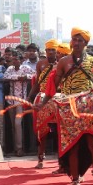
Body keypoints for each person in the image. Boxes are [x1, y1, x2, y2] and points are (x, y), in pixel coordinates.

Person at [53, 28, 93, 185]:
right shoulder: (63, 61)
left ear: (86, 43)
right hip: (70, 109)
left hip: (90, 109)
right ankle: (76, 184)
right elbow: (55, 85)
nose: (76, 43)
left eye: (79, 40)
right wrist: (48, 101)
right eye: (74, 40)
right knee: (73, 147)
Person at [31, 40, 61, 168]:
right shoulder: (40, 64)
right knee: (42, 129)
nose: (50, 52)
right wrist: (29, 97)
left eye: (53, 50)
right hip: (43, 98)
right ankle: (41, 158)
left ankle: (61, 161)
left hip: (58, 98)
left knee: (59, 131)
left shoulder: (62, 64)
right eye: (48, 50)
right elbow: (37, 83)